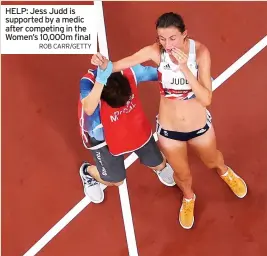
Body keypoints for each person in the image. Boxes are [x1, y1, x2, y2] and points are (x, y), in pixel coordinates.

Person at [91, 12, 247, 229]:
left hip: (199, 127)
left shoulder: (200, 53)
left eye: (172, 38)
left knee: (213, 160)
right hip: (169, 130)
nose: (167, 44)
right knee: (181, 174)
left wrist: (184, 68)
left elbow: (206, 98)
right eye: (162, 39)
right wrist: (104, 64)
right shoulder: (156, 52)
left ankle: (224, 171)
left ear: (185, 34)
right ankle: (189, 197)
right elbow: (117, 65)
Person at [78, 58, 175, 204]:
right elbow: (88, 108)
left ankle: (159, 167)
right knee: (116, 180)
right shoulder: (89, 84)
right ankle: (88, 172)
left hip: (132, 125)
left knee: (159, 163)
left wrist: (192, 79)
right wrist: (101, 78)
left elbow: (162, 74)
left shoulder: (131, 71)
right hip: (103, 139)